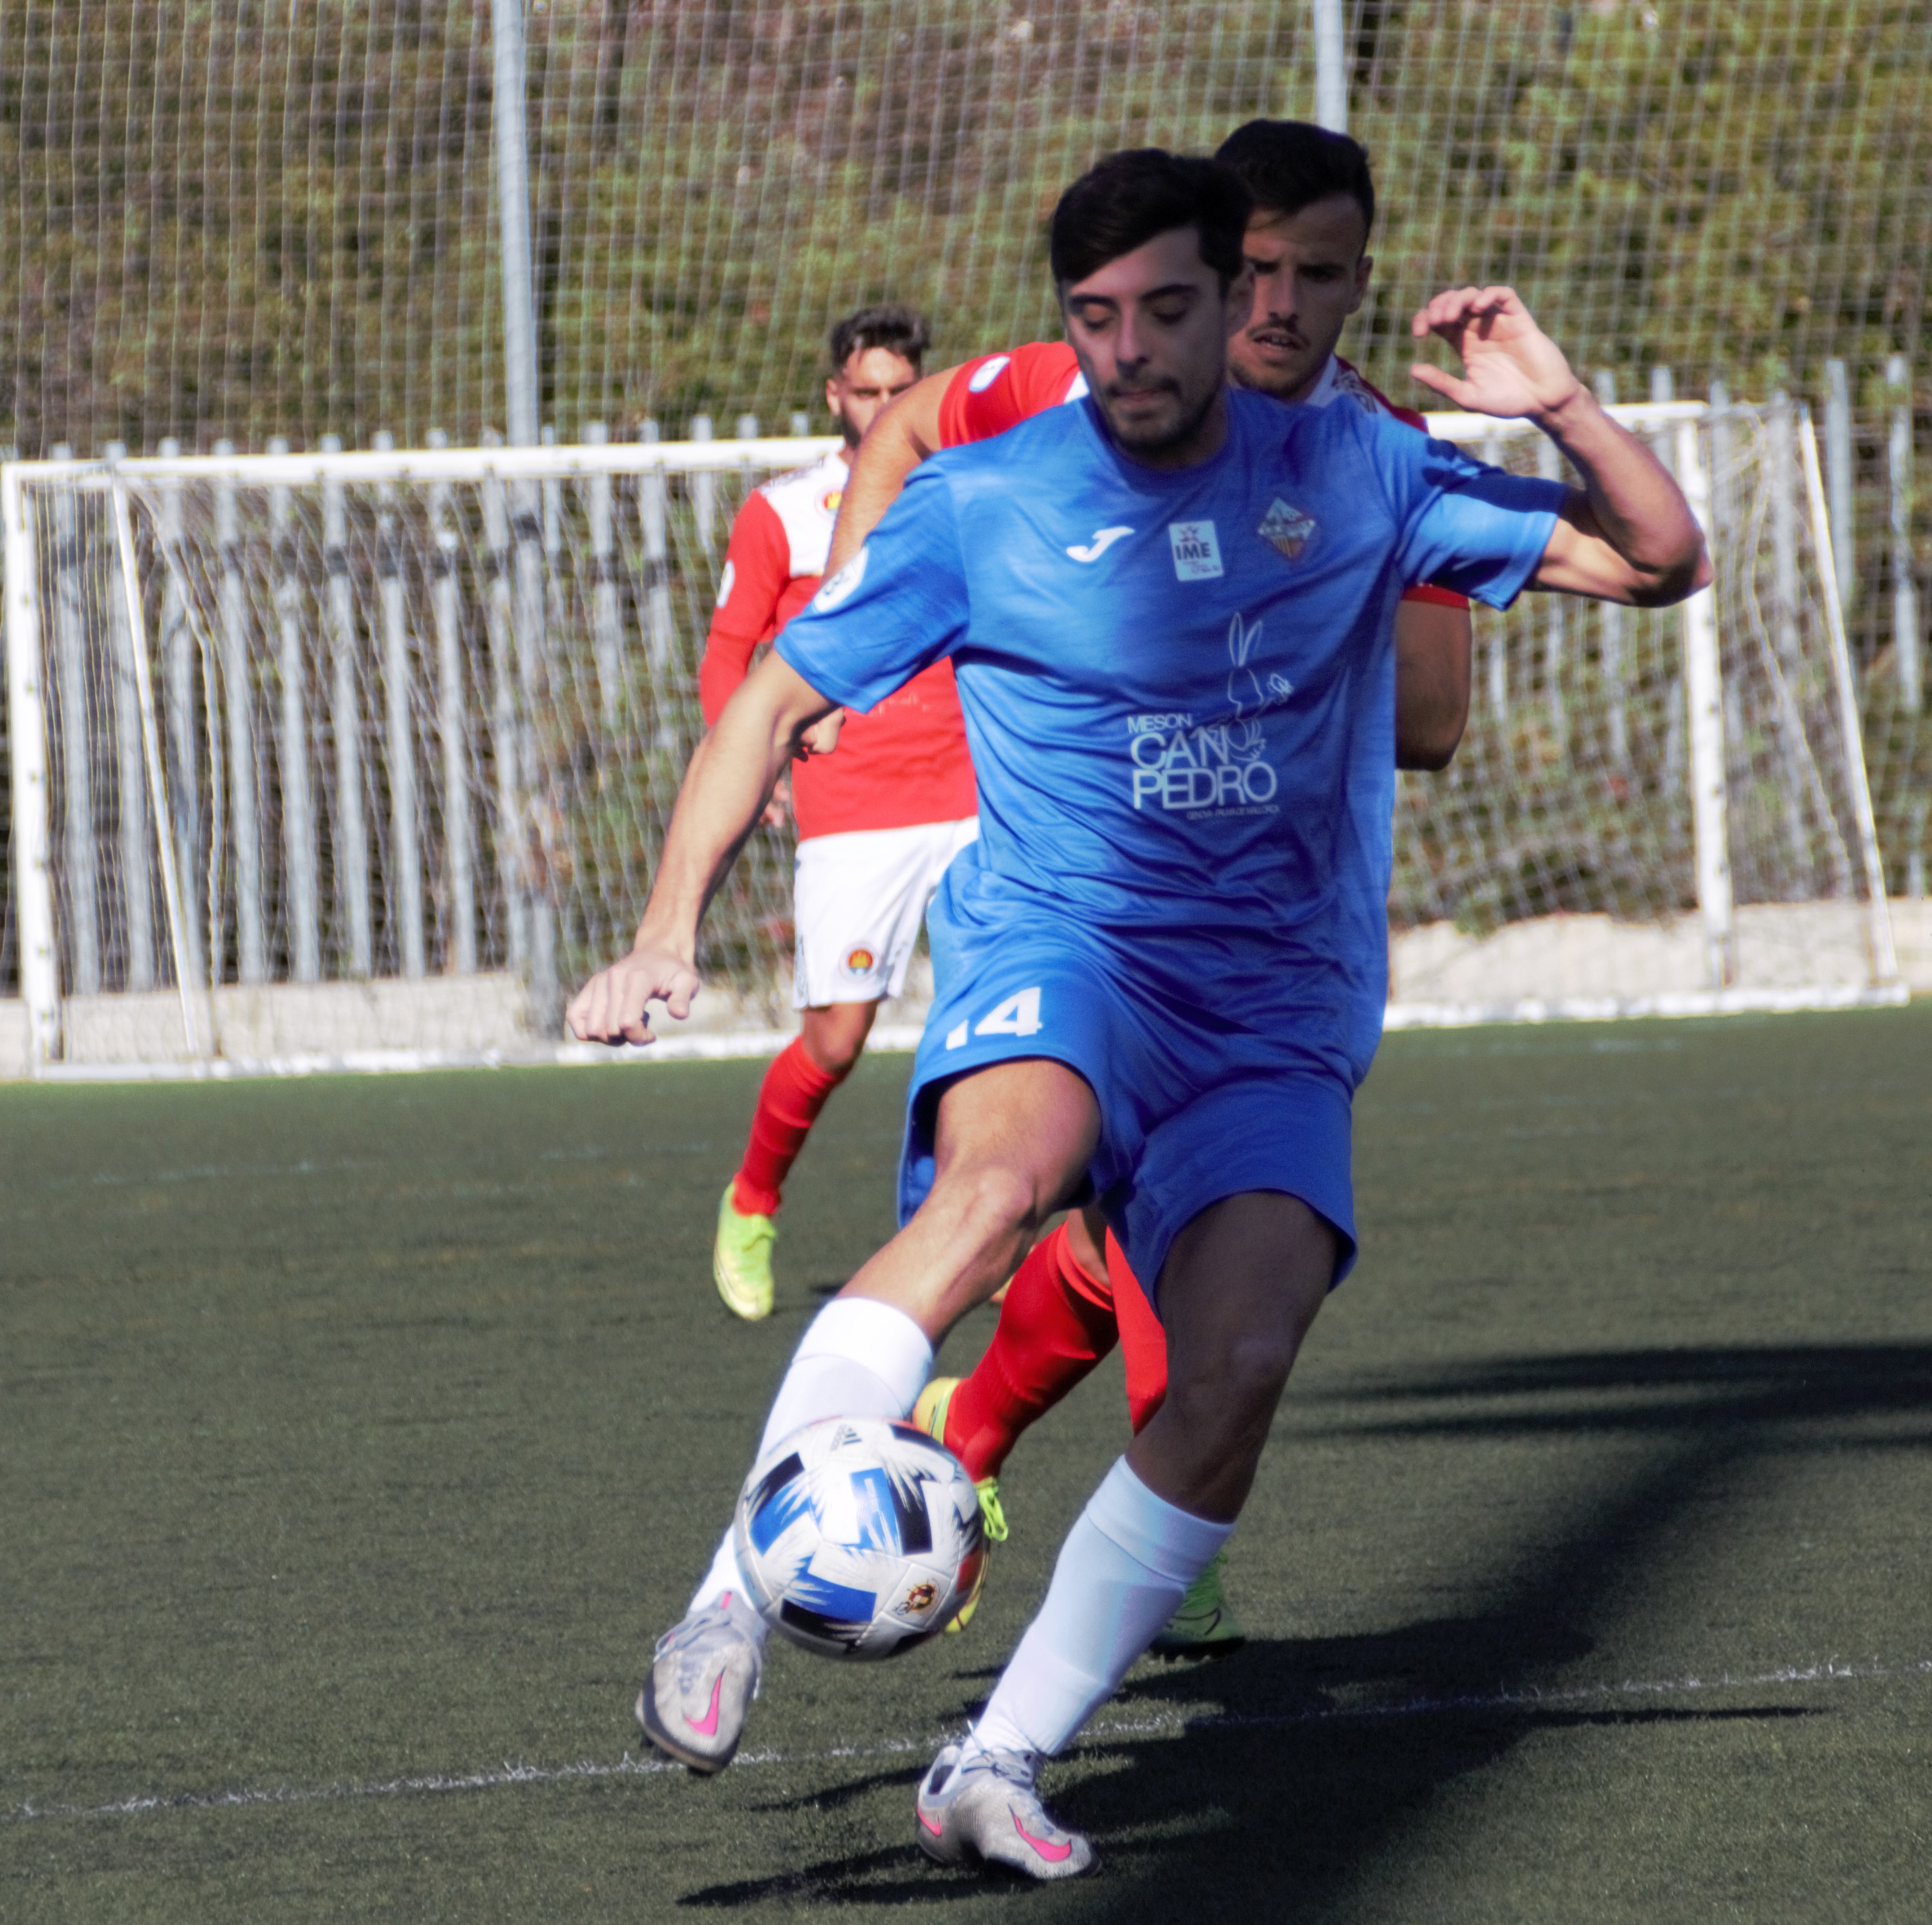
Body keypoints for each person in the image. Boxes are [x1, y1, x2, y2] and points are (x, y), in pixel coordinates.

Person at [571, 148, 1705, 1878]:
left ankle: (997, 1759)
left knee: (1240, 1359)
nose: (1138, 347)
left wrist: (1559, 404)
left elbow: (1659, 560)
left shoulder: (1364, 467)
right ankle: (729, 1601)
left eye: (1173, 305)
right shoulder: (990, 498)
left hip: (1278, 1001)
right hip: (1068, 942)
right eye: (1098, 316)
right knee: (993, 1194)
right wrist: (667, 930)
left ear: (1235, 295)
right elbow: (773, 699)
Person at [862, 119, 1472, 1652]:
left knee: (1154, 1226)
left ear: (1359, 282)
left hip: (1279, 920)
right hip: (1081, 894)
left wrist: (1281, 630)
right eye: (1250, 271)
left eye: (1315, 275)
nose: (1277, 306)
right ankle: (1133, 1516)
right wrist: (883, 632)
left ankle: (975, 1427)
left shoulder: (1376, 455)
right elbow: (911, 426)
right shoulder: (1067, 392)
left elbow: (1435, 721)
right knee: (1099, 1202)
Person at [696, 305, 978, 1322]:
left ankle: (968, 1225)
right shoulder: (785, 511)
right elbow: (729, 654)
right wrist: (752, 762)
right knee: (836, 1039)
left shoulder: (967, 487)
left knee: (995, 1025)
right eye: (867, 391)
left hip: (975, 797)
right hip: (854, 808)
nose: (884, 407)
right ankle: (752, 1199)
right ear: (834, 396)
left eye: (902, 390)